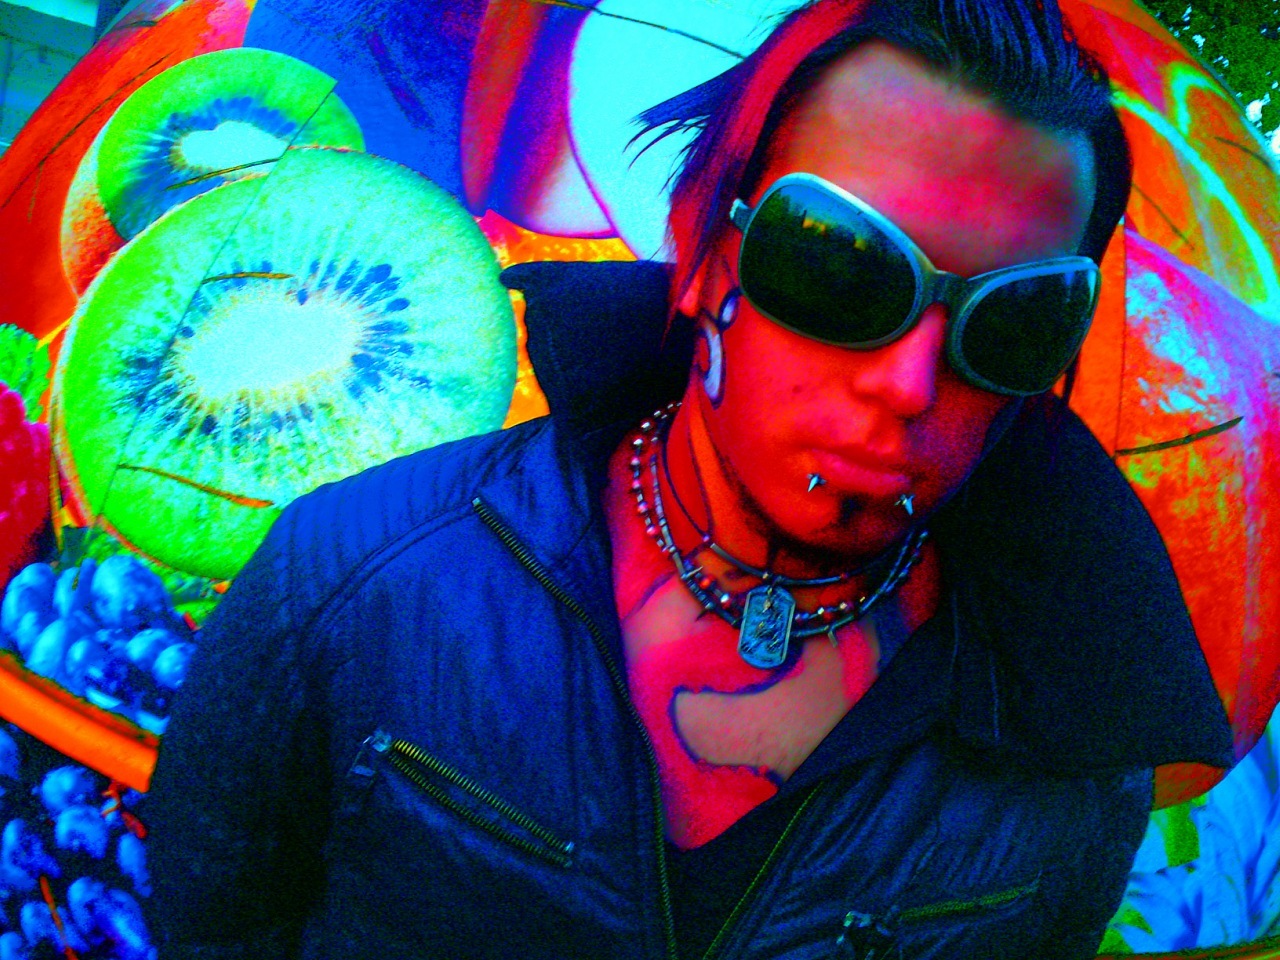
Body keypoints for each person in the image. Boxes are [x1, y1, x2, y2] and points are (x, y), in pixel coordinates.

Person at [141, 0, 1235, 957]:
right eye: (840, 265)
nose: (909, 382)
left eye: (1014, 319)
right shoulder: (351, 576)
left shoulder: (1078, 746)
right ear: (708, 255)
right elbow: (217, 925)